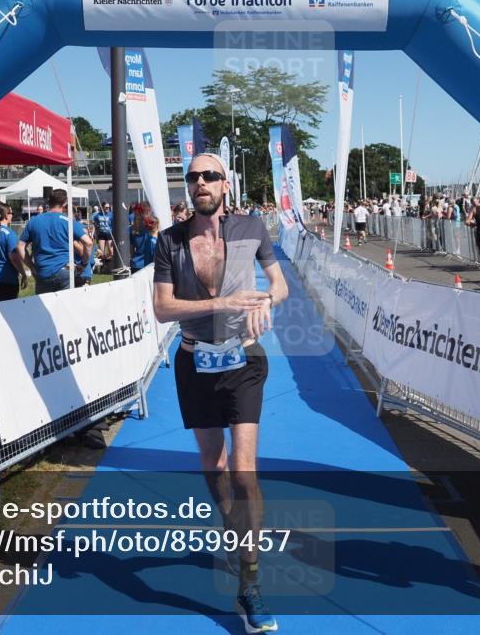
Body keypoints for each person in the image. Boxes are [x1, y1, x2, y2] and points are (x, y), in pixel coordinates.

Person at [152, 152, 288, 634]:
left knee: (245, 469)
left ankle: (249, 584)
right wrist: (222, 301)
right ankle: (237, 533)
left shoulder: (252, 227)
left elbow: (280, 284)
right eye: (193, 178)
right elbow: (162, 308)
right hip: (194, 360)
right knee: (213, 465)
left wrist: (265, 301)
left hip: (244, 360)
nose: (200, 183)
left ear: (225, 184)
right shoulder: (169, 241)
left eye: (209, 176)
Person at [13, 189, 93, 294]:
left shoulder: (34, 221)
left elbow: (20, 246)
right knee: (65, 307)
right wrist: (84, 263)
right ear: (65, 203)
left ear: (48, 202)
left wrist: (32, 267)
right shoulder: (68, 221)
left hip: (43, 272)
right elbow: (89, 243)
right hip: (64, 271)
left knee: (44, 308)